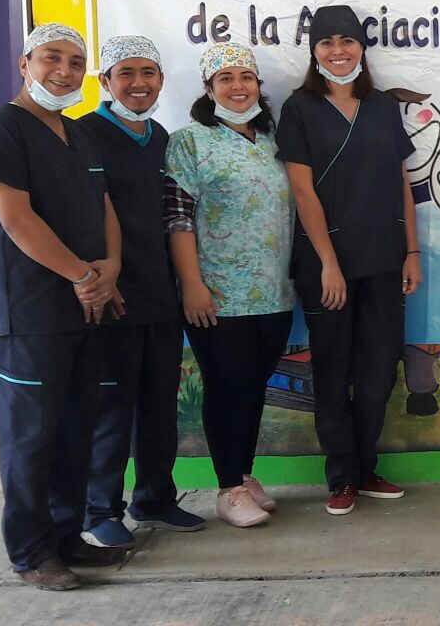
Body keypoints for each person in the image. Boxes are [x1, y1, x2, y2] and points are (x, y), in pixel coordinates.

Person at [0, 23, 126, 590]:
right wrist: (83, 275)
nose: (64, 71)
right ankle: (32, 553)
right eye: (51, 58)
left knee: (74, 429)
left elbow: (103, 205)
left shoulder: (77, 134)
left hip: (85, 307)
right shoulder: (1, 130)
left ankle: (66, 538)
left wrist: (110, 268)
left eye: (75, 61)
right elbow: (15, 218)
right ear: (24, 64)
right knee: (30, 439)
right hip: (30, 313)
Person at [275, 5, 420, 516]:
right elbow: (302, 191)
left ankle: (365, 468)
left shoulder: (381, 106)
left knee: (379, 372)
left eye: (348, 41)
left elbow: (401, 183)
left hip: (383, 259)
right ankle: (341, 477)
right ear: (314, 51)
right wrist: (328, 263)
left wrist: (411, 252)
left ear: (362, 47)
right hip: (326, 265)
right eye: (327, 42)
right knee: (334, 371)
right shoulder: (300, 108)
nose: (338, 51)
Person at [77, 35, 207, 548]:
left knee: (159, 406)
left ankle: (154, 499)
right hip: (111, 297)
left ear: (160, 81)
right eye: (126, 73)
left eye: (148, 72)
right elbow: (80, 214)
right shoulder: (82, 134)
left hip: (160, 296)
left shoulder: (160, 138)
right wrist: (97, 280)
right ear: (105, 81)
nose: (138, 83)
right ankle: (99, 511)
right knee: (111, 409)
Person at [164, 43, 295, 528]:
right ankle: (227, 489)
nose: (238, 86)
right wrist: (191, 284)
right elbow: (178, 219)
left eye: (246, 77)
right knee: (227, 386)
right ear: (208, 88)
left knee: (255, 386)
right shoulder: (190, 142)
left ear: (258, 85)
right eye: (226, 79)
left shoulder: (273, 141)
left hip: (275, 290)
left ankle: (243, 473)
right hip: (217, 293)